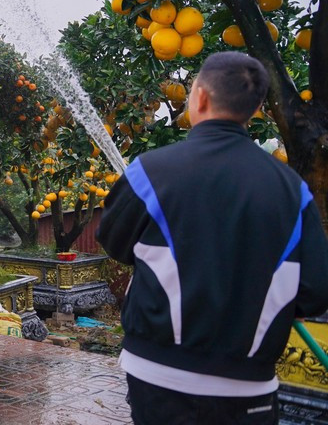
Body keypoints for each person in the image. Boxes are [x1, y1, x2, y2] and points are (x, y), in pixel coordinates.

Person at [97, 51, 328, 424]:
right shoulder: (293, 191)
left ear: (200, 97)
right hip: (247, 387)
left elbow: (114, 242)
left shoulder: (150, 172)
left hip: (158, 377)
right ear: (255, 111)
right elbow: (316, 290)